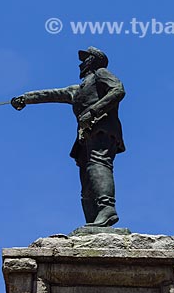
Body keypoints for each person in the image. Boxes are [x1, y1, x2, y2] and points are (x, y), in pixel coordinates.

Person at [11, 46, 126, 227]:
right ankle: (93, 219)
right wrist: (25, 98)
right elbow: (50, 94)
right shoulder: (77, 89)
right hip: (85, 137)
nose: (81, 63)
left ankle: (107, 208)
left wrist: (93, 111)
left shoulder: (101, 74)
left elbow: (118, 90)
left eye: (85, 58)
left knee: (99, 164)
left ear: (94, 61)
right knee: (87, 177)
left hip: (102, 129)